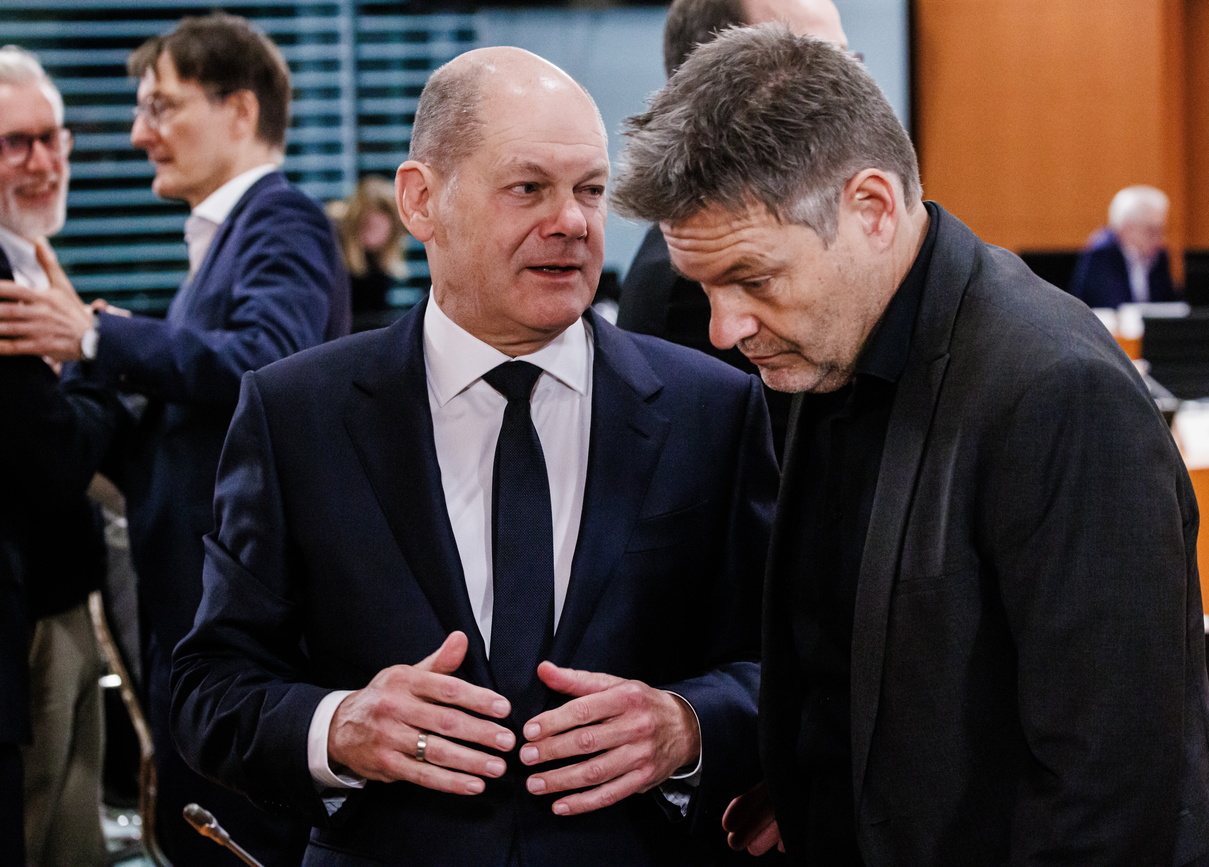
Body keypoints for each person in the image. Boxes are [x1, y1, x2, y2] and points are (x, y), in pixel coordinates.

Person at [614, 26, 1209, 865]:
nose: (725, 330)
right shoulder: (829, 348)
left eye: (754, 280)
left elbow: (1109, 790)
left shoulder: (1057, 392)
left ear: (870, 208)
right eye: (708, 291)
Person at [169, 46, 775, 866]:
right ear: (421, 200)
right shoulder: (294, 414)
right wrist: (338, 726)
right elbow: (210, 688)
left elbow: (785, 665)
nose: (573, 222)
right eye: (529, 188)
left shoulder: (714, 407)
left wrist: (687, 725)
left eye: (591, 191)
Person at [0, 14, 350, 864]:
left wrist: (96, 339)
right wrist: (94, 356)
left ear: (239, 110)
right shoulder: (226, 242)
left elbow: (268, 365)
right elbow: (183, 427)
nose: (137, 132)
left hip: (240, 625)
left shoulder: (283, 220)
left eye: (161, 106)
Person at [0, 45, 128, 865]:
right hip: (28, 626)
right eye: (16, 143)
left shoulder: (28, 262)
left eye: (54, 137)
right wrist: (98, 356)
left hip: (59, 608)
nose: (44, 161)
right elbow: (50, 460)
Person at [618, 0, 848, 458]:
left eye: (847, 64)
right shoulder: (690, 280)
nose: (852, 95)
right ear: (718, 80)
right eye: (816, 68)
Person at [1069, 184, 1177, 307]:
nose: (1160, 239)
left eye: (1161, 231)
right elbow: (1108, 304)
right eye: (1151, 231)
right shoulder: (1101, 253)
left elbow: (1168, 303)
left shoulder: (1160, 256)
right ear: (1127, 228)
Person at [326, 174, 409, 324]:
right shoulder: (332, 254)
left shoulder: (380, 268)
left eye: (378, 228)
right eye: (367, 226)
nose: (373, 232)